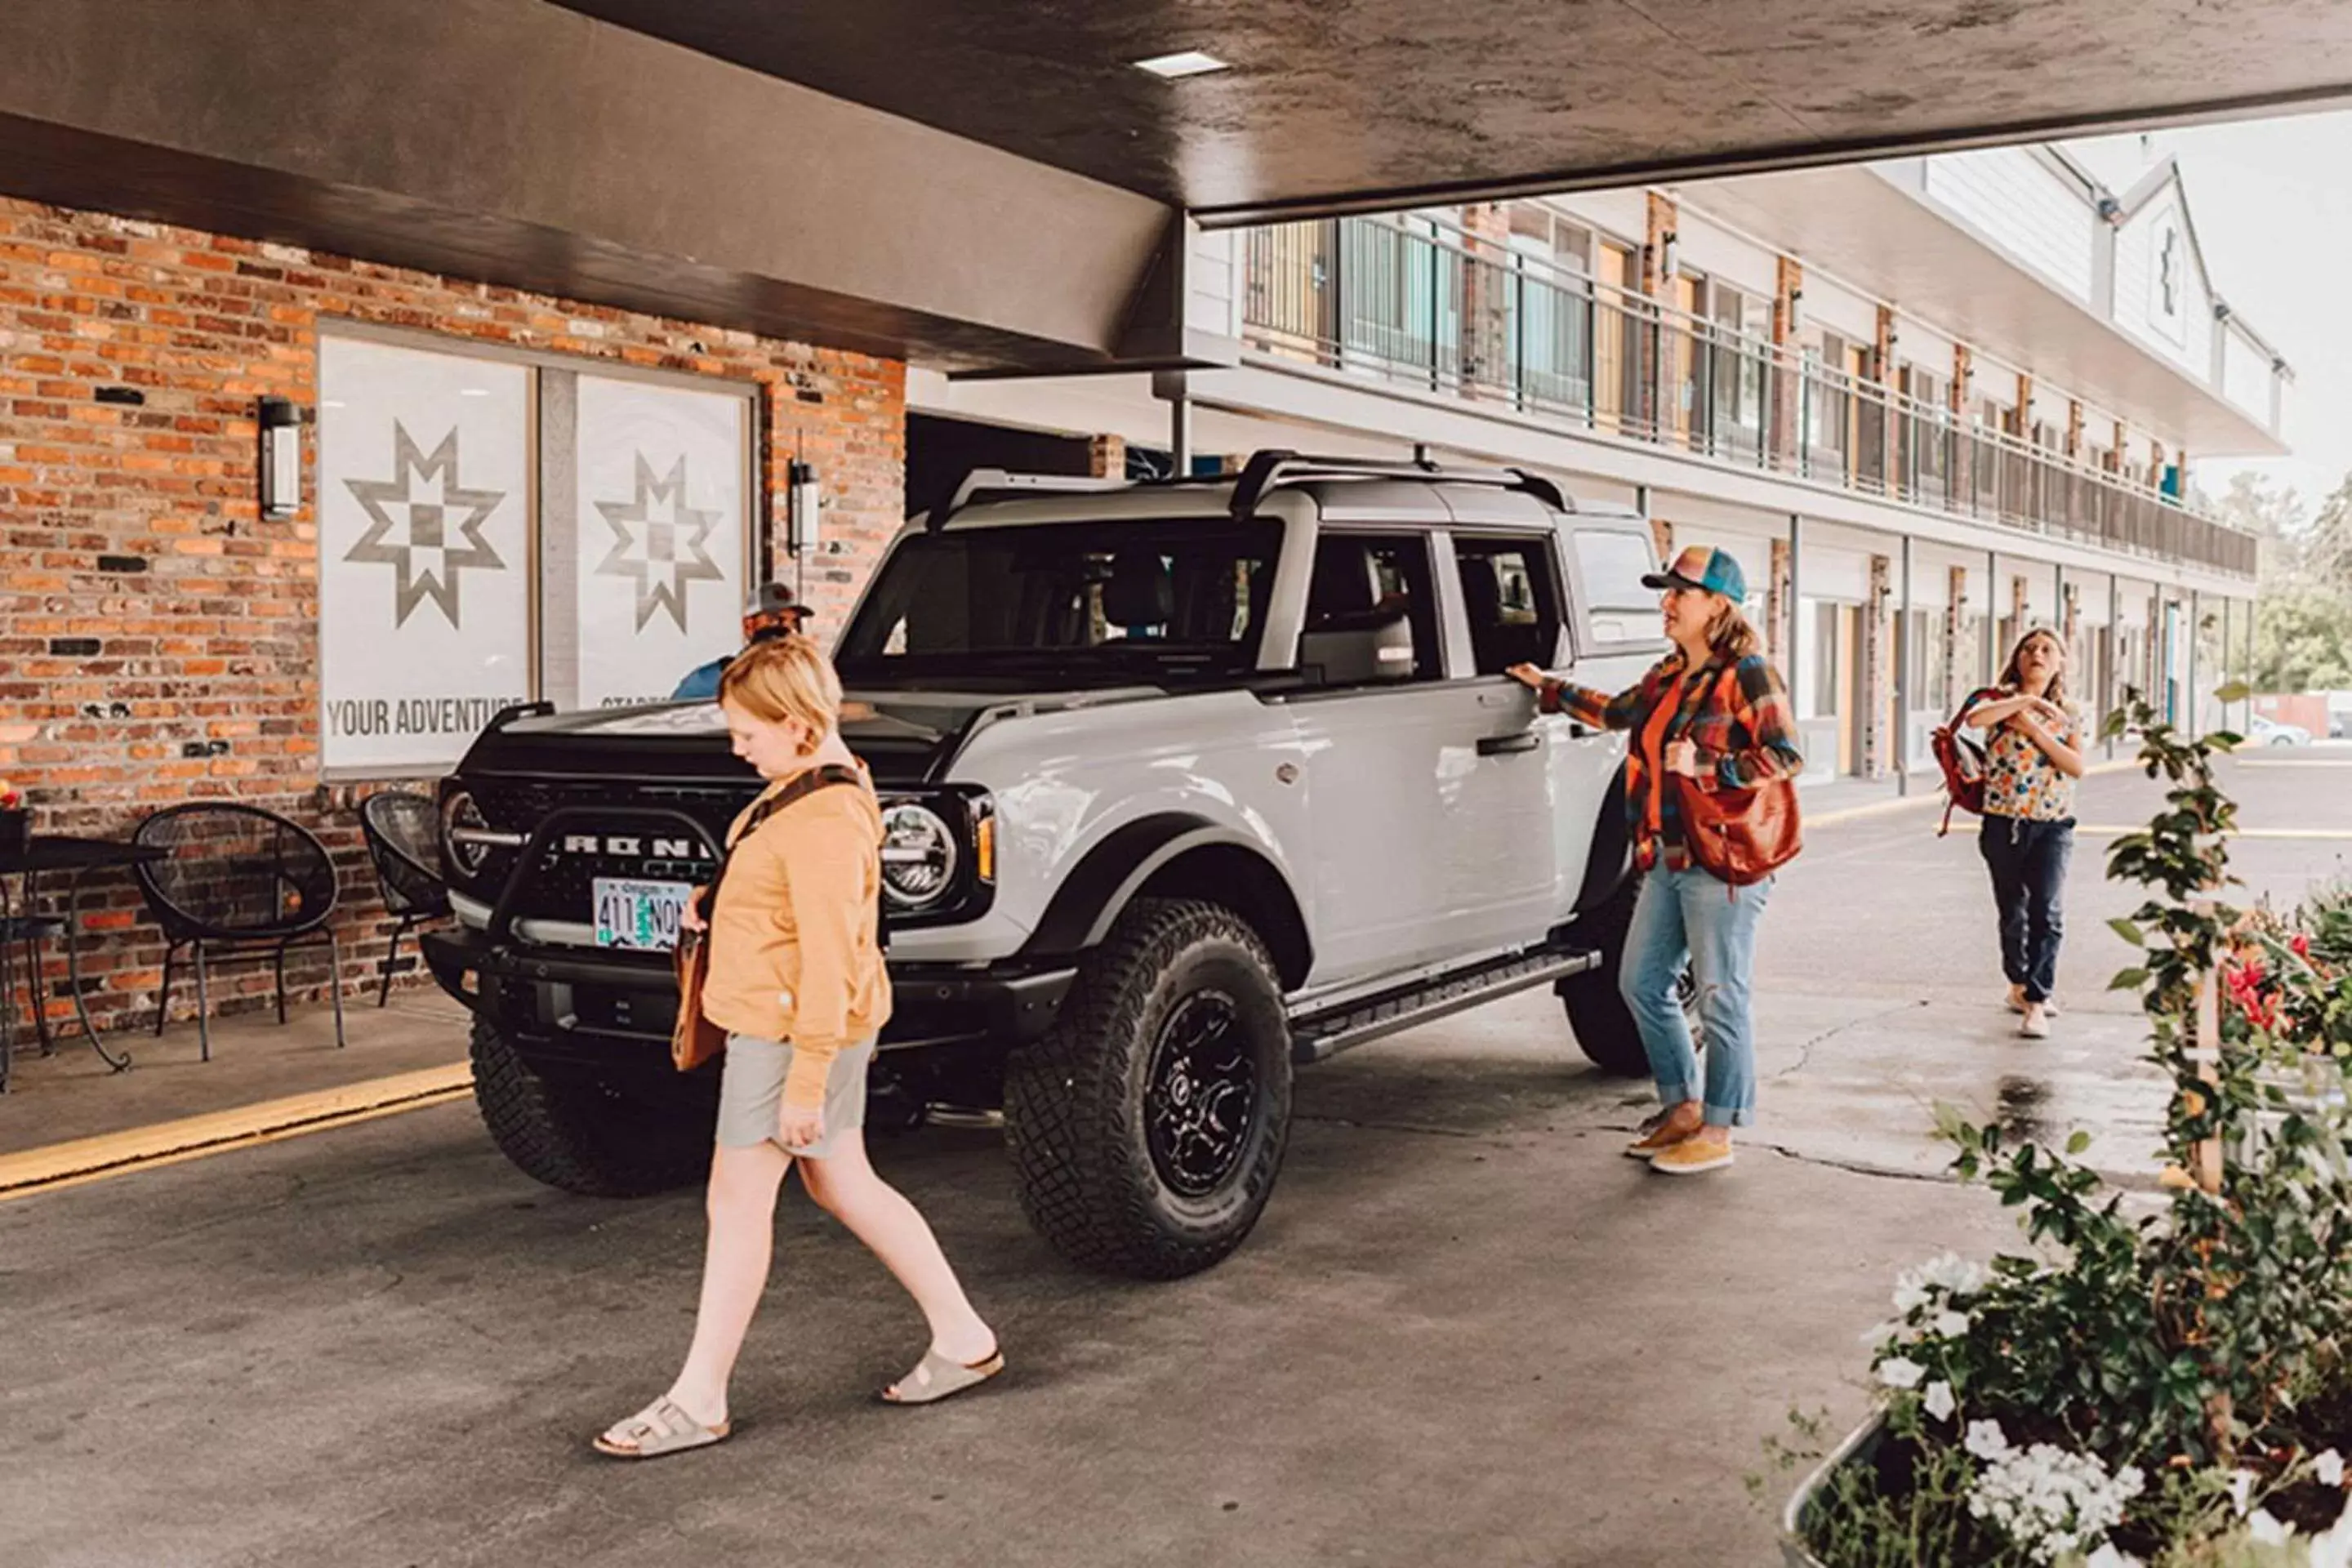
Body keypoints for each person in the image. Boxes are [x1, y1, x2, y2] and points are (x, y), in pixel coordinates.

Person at [595, 635, 1000, 1459]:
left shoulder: (822, 816)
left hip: (788, 1034)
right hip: (801, 1025)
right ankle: (962, 1337)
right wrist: (723, 898)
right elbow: (790, 892)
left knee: (736, 1205)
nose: (737, 746)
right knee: (843, 1185)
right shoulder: (813, 786)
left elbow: (833, 958)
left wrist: (805, 1083)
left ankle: (699, 1399)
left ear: (801, 724)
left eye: (748, 731)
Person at [1506, 545, 1802, 1176]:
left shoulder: (1747, 672)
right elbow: (1617, 713)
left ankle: (1719, 1130)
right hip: (1666, 859)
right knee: (1639, 982)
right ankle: (1683, 1108)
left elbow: (1786, 754)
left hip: (1723, 862)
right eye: (1665, 591)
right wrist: (1547, 689)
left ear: (1718, 605)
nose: (1666, 603)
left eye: (1680, 593)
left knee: (1722, 996)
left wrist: (1711, 766)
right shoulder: (1669, 676)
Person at [1963, 628, 2085, 1040]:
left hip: (2053, 825)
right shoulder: (1996, 701)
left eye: (2047, 650)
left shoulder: (2068, 711)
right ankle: (2018, 983)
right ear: (2017, 658)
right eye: (2030, 649)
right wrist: (2029, 702)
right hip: (2003, 823)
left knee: (2046, 912)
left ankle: (2037, 1000)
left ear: (2059, 663)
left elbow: (2076, 766)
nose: (2037, 655)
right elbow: (1974, 720)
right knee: (2012, 911)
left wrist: (2035, 729)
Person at [671, 582, 812, 701]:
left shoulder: (803, 680)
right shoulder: (714, 679)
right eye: (775, 620)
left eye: (794, 622)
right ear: (749, 626)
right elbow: (671, 723)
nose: (788, 630)